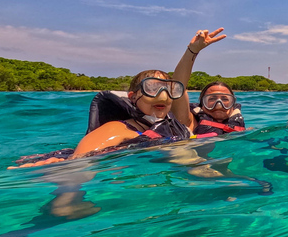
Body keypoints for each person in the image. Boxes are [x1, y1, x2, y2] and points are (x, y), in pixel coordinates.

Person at [16, 70, 192, 167]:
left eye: (169, 90)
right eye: (152, 88)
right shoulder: (116, 130)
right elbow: (78, 165)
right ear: (132, 97)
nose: (163, 95)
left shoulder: (174, 128)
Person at [170, 28, 247, 136]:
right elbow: (178, 87)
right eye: (211, 99)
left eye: (225, 99)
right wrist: (192, 51)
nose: (219, 105)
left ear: (232, 104)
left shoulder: (243, 129)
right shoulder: (190, 122)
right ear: (202, 104)